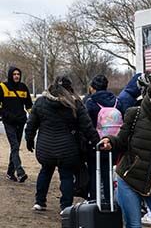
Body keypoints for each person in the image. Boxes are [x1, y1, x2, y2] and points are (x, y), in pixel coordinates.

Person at [98, 64, 151, 228]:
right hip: (129, 179)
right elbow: (122, 139)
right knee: (133, 225)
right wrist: (110, 141)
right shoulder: (134, 113)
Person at [25, 76, 100, 212]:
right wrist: (97, 142)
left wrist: (29, 140)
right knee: (66, 176)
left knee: (45, 171)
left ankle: (39, 201)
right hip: (67, 149)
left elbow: (31, 124)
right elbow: (87, 126)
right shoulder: (75, 103)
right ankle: (65, 206)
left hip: (45, 147)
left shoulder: (41, 102)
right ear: (69, 88)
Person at [83, 74, 124, 202]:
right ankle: (109, 200)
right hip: (114, 143)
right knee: (109, 174)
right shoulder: (117, 102)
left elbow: (87, 124)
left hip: (96, 144)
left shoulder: (90, 103)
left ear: (92, 88)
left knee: (95, 173)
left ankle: (95, 201)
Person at [1, 66, 33, 182]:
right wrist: (7, 115)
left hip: (20, 121)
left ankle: (10, 173)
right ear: (10, 75)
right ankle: (19, 171)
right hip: (8, 122)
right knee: (14, 146)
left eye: (18, 74)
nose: (16, 76)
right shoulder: (3, 87)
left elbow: (29, 106)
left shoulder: (23, 87)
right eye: (14, 74)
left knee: (16, 147)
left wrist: (34, 117)